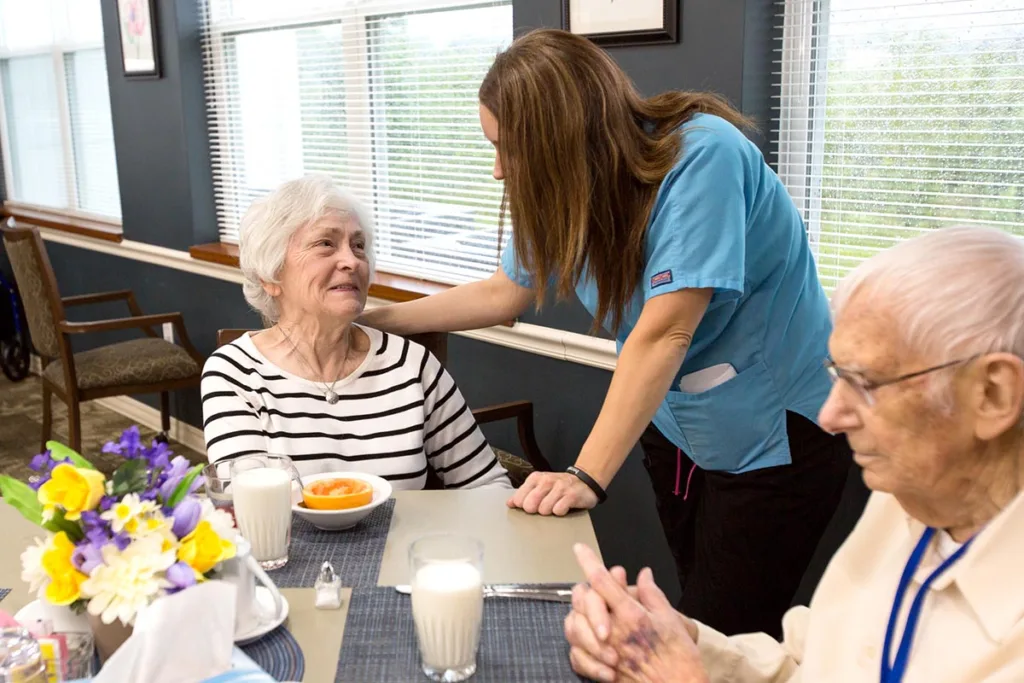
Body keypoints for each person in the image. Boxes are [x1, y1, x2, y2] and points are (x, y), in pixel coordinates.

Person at [359, 28, 857, 635]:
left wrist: (584, 474)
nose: (497, 171)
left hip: (772, 435)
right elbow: (504, 291)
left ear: (563, 138)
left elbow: (665, 333)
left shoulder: (703, 157)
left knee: (728, 630)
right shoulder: (568, 189)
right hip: (675, 430)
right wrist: (368, 318)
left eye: (507, 149)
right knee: (693, 615)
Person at [563, 226, 1024, 682]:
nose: (829, 416)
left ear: (993, 394)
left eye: (865, 383)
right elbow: (807, 664)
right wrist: (687, 644)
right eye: (836, 374)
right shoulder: (907, 501)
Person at [201, 175, 511, 490]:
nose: (352, 261)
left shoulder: (411, 365)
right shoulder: (234, 373)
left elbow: (486, 484)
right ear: (271, 275)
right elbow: (249, 504)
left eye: (358, 246)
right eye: (325, 244)